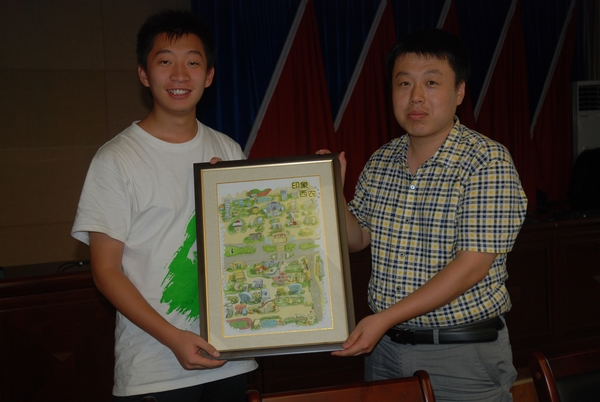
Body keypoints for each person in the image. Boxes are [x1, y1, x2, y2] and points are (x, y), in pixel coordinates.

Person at [328, 28, 528, 401]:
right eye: (404, 83)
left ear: (459, 92)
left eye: (431, 83)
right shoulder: (382, 160)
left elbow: (471, 267)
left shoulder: (486, 160)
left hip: (461, 355)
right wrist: (332, 193)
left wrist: (384, 319)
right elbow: (357, 239)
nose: (416, 96)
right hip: (384, 351)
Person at [71, 10, 257, 401]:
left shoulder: (228, 150)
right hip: (155, 368)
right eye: (165, 62)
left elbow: (249, 247)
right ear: (144, 74)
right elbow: (105, 271)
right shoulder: (117, 159)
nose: (179, 75)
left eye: (193, 63)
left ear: (209, 75)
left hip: (231, 356)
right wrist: (173, 337)